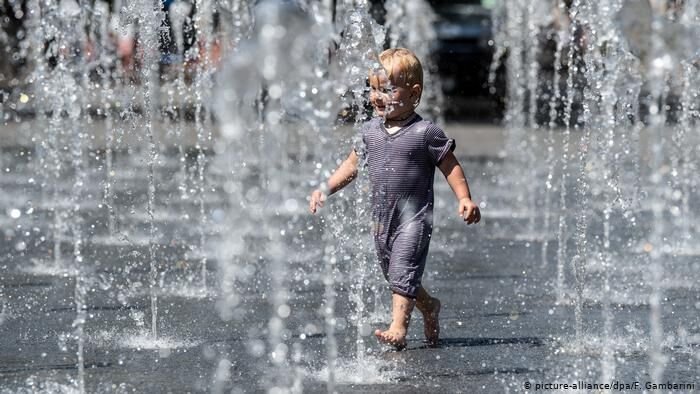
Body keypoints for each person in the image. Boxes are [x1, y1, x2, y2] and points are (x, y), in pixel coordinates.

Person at [309, 48, 481, 349]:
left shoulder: (425, 132)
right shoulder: (369, 132)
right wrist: (325, 187)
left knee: (403, 267)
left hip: (414, 219)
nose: (377, 96)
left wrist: (464, 198)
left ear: (414, 93)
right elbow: (351, 166)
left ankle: (399, 328)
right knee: (397, 275)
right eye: (373, 88)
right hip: (382, 221)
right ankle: (429, 306)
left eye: (387, 89)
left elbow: (450, 165)